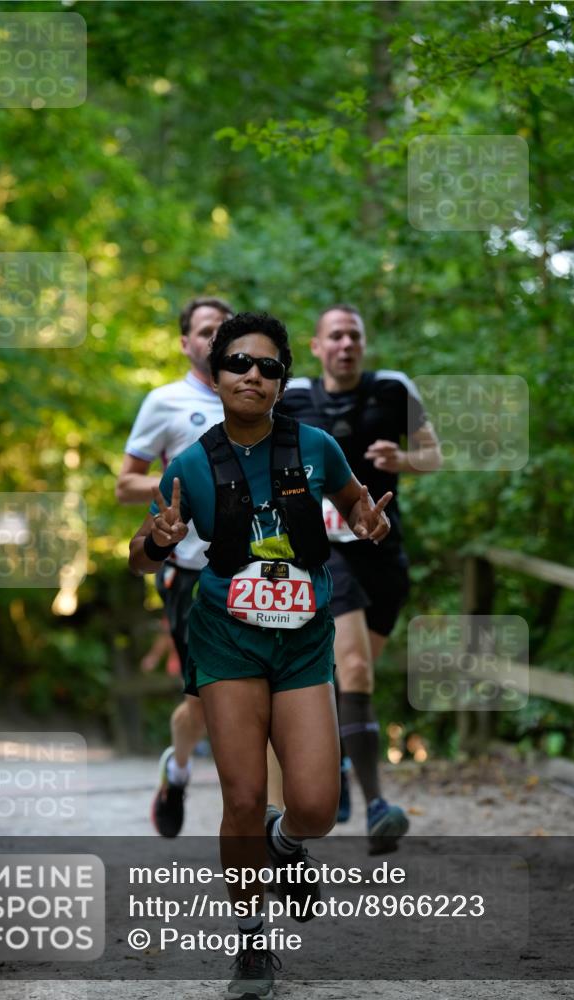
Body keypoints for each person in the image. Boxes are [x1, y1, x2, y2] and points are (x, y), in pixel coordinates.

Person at [129, 312, 392, 997]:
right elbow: (138, 558)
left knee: (316, 807)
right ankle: (251, 944)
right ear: (216, 375)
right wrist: (158, 541)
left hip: (303, 638)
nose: (253, 375)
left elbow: (355, 504)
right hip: (226, 637)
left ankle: (285, 844)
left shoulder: (315, 447)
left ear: (281, 380)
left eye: (268, 366)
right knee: (243, 798)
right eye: (239, 363)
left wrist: (368, 520)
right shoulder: (191, 464)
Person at [278, 304, 442, 853]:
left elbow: (434, 456)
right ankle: (377, 807)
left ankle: (342, 759)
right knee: (353, 669)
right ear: (317, 346)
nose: (346, 344)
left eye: (354, 335)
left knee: (351, 677)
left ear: (364, 344)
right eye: (335, 336)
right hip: (325, 551)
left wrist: (403, 459)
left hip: (383, 551)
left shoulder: (393, 388)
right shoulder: (292, 398)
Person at [116, 296, 232, 836]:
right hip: (187, 568)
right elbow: (125, 485)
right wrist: (185, 487)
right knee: (202, 700)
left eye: (224, 329)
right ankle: (179, 770)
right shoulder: (165, 402)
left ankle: (266, 822)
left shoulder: (260, 395)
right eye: (206, 330)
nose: (216, 338)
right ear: (185, 343)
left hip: (255, 569)